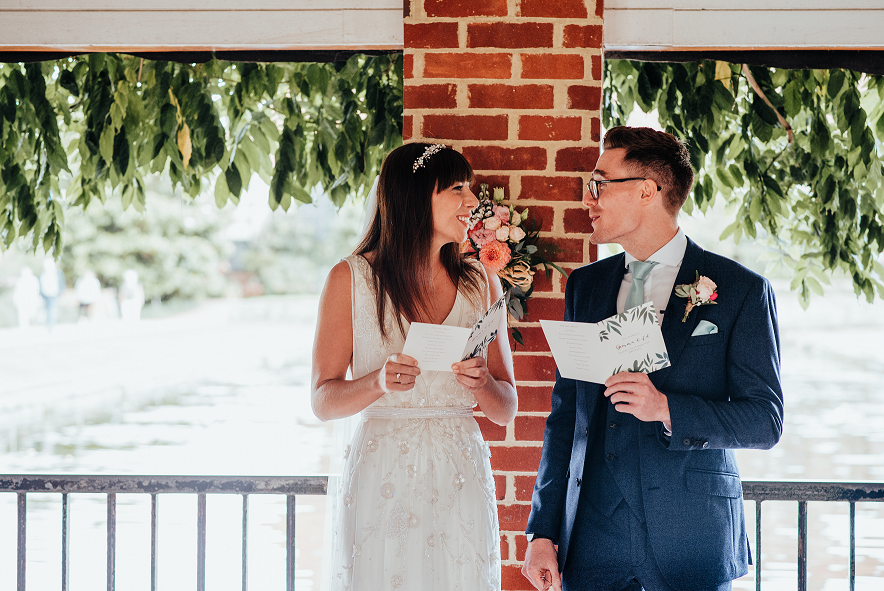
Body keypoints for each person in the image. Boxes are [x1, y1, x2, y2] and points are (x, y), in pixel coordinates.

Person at [522, 127, 784, 591]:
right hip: (591, 544)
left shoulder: (740, 290)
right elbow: (565, 417)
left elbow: (765, 422)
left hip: (692, 539)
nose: (589, 197)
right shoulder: (587, 287)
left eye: (600, 182)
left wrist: (666, 409)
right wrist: (542, 531)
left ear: (647, 191)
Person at [312, 142, 518, 591]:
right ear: (414, 196)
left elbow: (506, 408)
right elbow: (323, 400)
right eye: (458, 189)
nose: (472, 202)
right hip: (381, 473)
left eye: (472, 189)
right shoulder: (350, 279)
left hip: (459, 473)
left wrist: (483, 383)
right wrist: (376, 382)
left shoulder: (482, 280)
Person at [39, 257, 65, 329]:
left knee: (53, 310)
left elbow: (61, 284)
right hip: (45, 295)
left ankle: (51, 324)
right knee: (47, 310)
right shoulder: (43, 274)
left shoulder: (58, 273)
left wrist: (61, 294)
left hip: (54, 294)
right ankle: (49, 324)